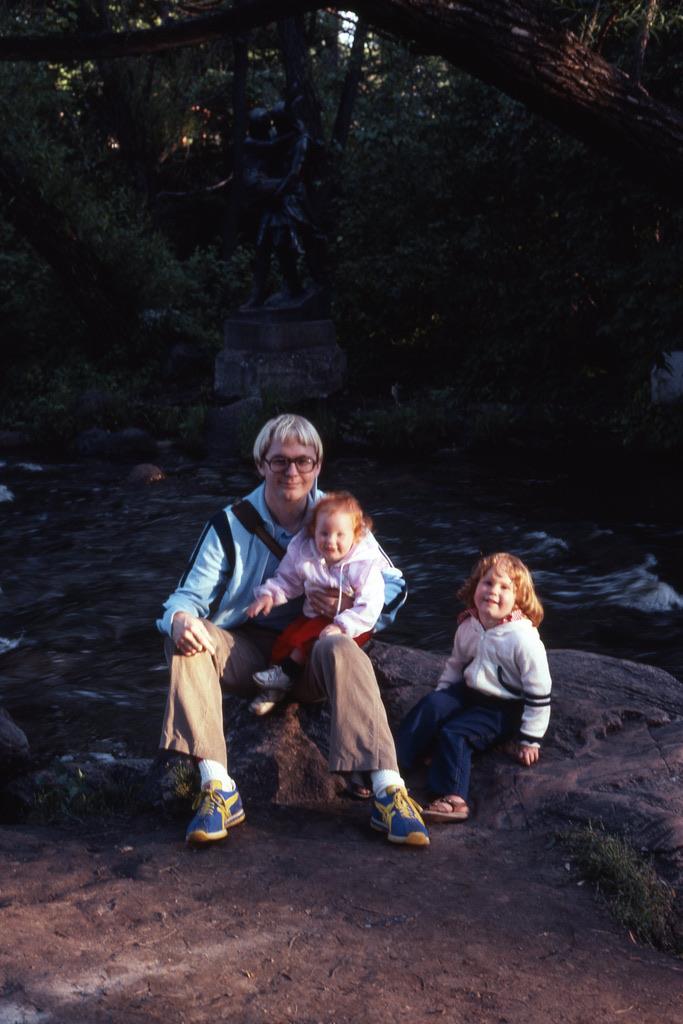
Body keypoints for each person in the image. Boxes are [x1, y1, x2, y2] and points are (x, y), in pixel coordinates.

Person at [157, 414, 429, 847]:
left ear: (318, 466)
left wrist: (346, 605)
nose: (292, 471)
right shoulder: (230, 524)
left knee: (342, 646)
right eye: (280, 461)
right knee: (185, 640)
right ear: (261, 464)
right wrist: (181, 621)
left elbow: (393, 586)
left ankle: (388, 791)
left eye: (303, 461)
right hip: (246, 651)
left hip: (315, 654)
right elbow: (184, 599)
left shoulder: (339, 518)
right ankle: (217, 788)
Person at [396, 552, 551, 823]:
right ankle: (393, 762)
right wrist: (443, 694)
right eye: (487, 583)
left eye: (505, 587)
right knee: (431, 706)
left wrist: (530, 738)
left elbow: (539, 689)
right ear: (475, 587)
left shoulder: (523, 638)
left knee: (455, 734)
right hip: (468, 691)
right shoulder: (469, 624)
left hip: (503, 707)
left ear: (519, 598)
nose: (493, 591)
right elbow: (456, 665)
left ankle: (454, 797)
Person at [246, 491, 397, 717]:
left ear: (355, 536)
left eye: (339, 535)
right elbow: (288, 580)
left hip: (353, 625)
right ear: (313, 530)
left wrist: (343, 625)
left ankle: (284, 675)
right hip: (313, 619)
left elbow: (371, 606)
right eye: (324, 533)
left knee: (311, 640)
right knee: (286, 642)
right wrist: (269, 595)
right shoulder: (307, 553)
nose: (330, 541)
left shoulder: (363, 565)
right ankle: (274, 691)